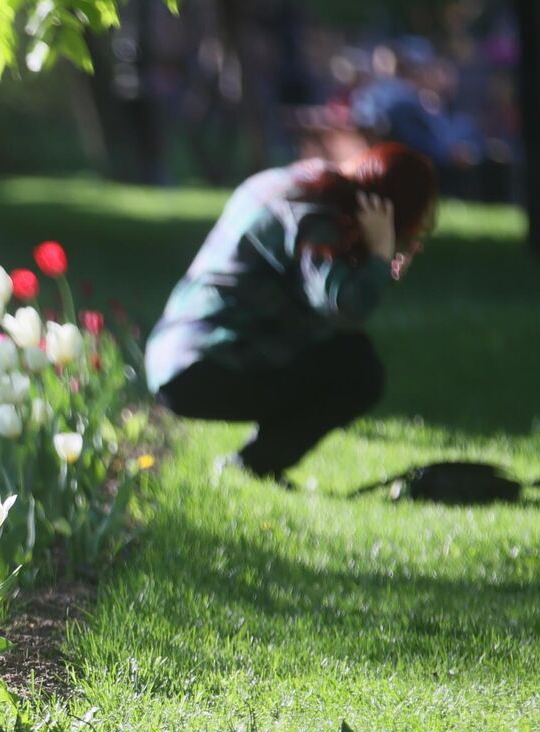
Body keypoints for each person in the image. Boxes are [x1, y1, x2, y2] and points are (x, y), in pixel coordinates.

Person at [145, 142, 438, 481]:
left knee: (341, 354)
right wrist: (380, 256)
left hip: (176, 357)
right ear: (387, 210)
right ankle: (252, 467)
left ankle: (253, 464)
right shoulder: (316, 215)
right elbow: (344, 307)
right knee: (358, 369)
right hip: (207, 365)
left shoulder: (292, 182)